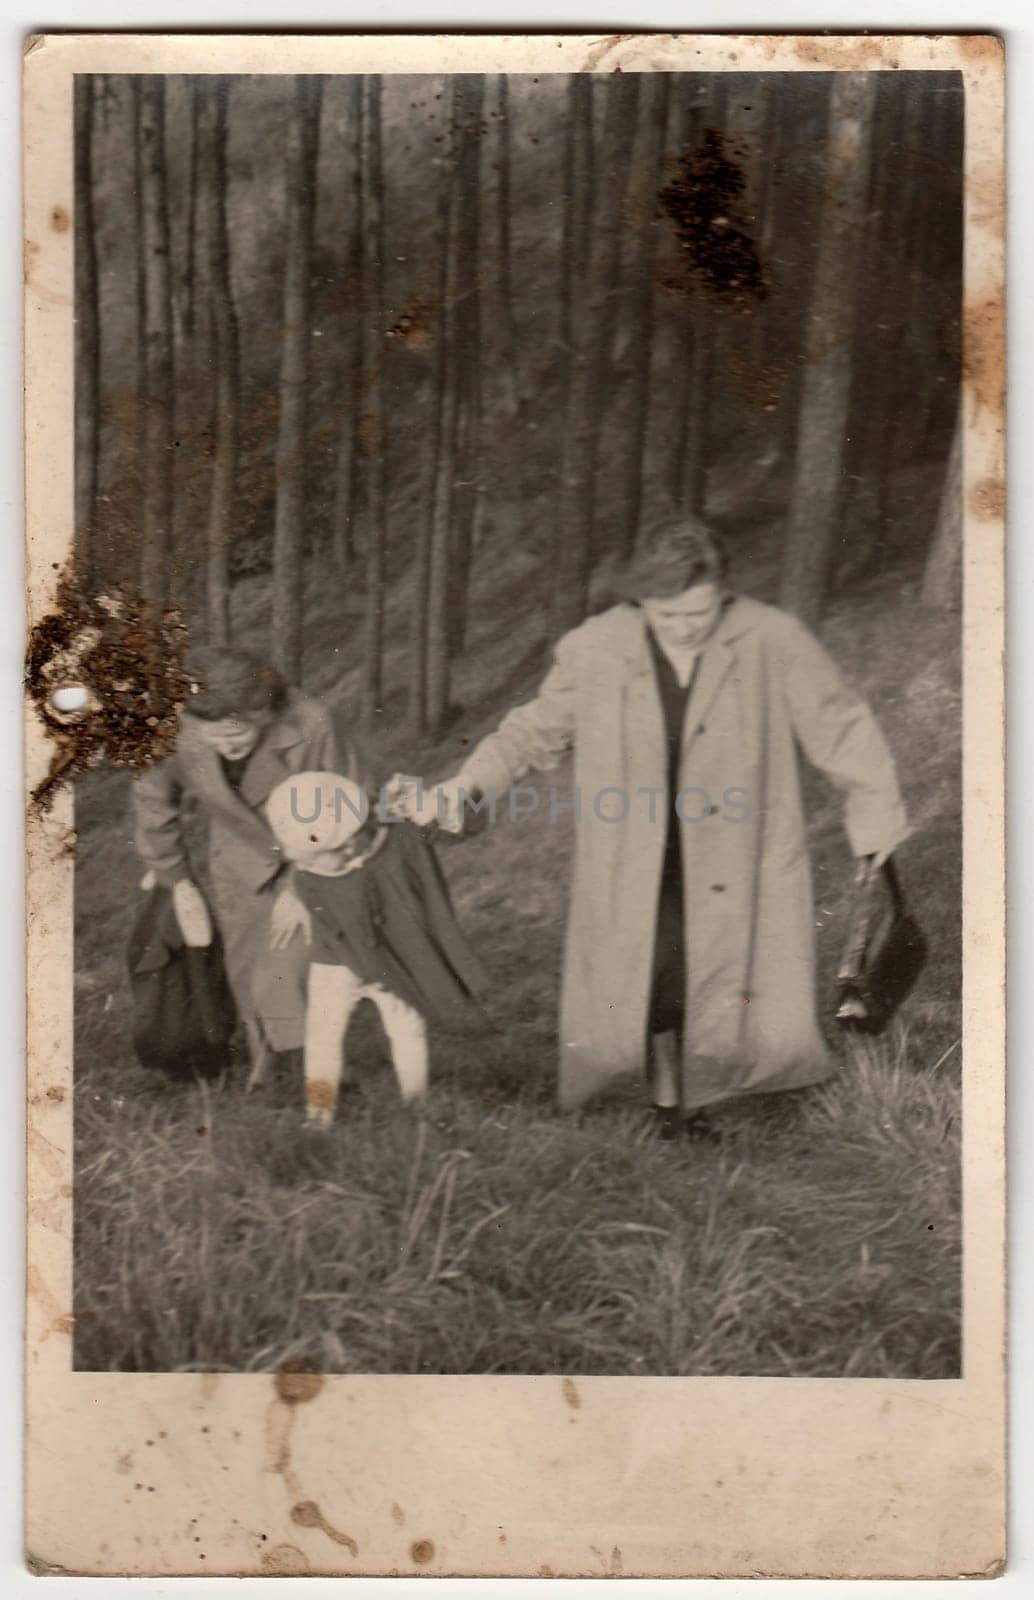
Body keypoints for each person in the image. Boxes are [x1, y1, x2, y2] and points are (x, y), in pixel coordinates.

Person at [403, 518, 910, 1135]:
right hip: (638, 849)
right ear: (638, 602)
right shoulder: (595, 648)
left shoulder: (770, 638)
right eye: (667, 617)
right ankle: (673, 1102)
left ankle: (695, 1097)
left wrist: (874, 814)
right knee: (659, 976)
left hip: (735, 847)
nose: (686, 628)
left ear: (722, 590)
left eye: (699, 612)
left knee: (718, 973)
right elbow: (533, 731)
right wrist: (467, 785)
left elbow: (840, 725)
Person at [132, 646, 362, 1081]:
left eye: (237, 734)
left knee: (302, 966)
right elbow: (152, 799)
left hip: (319, 854)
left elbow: (346, 803)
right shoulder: (172, 728)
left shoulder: (311, 722)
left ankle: (323, 1075)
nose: (225, 745)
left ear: (264, 711)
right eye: (212, 736)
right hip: (239, 859)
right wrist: (177, 880)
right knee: (248, 967)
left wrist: (303, 886)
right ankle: (267, 1073)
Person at [261, 772, 490, 1126]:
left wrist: (432, 802)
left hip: (395, 956)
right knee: (323, 1036)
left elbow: (468, 821)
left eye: (311, 858)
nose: (302, 869)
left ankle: (416, 1104)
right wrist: (366, 970)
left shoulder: (400, 840)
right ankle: (319, 1112)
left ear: (349, 843)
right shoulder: (309, 877)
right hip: (338, 957)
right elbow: (333, 927)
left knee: (407, 1028)